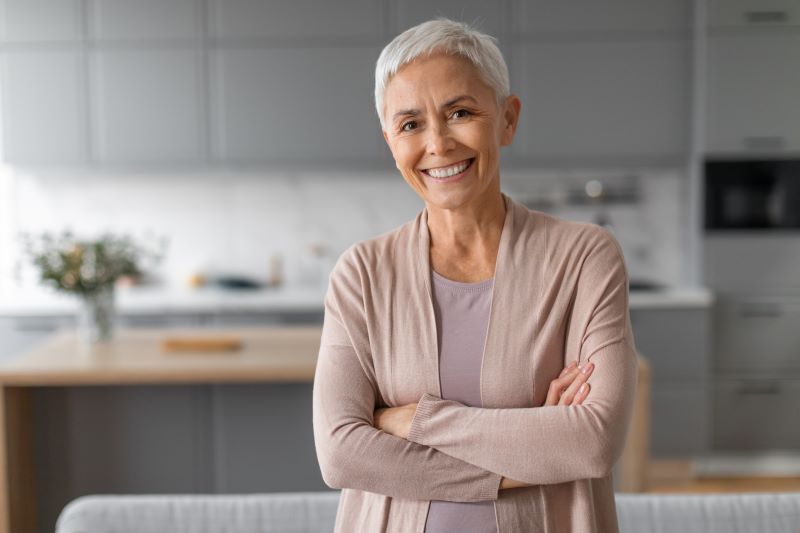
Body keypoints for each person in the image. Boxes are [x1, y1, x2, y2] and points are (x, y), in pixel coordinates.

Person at [312, 18, 638, 533]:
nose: (438, 143)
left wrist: (411, 421)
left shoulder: (584, 258)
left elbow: (592, 442)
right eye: (411, 124)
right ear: (391, 143)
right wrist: (527, 459)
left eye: (460, 112)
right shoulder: (362, 274)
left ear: (507, 120)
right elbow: (341, 455)